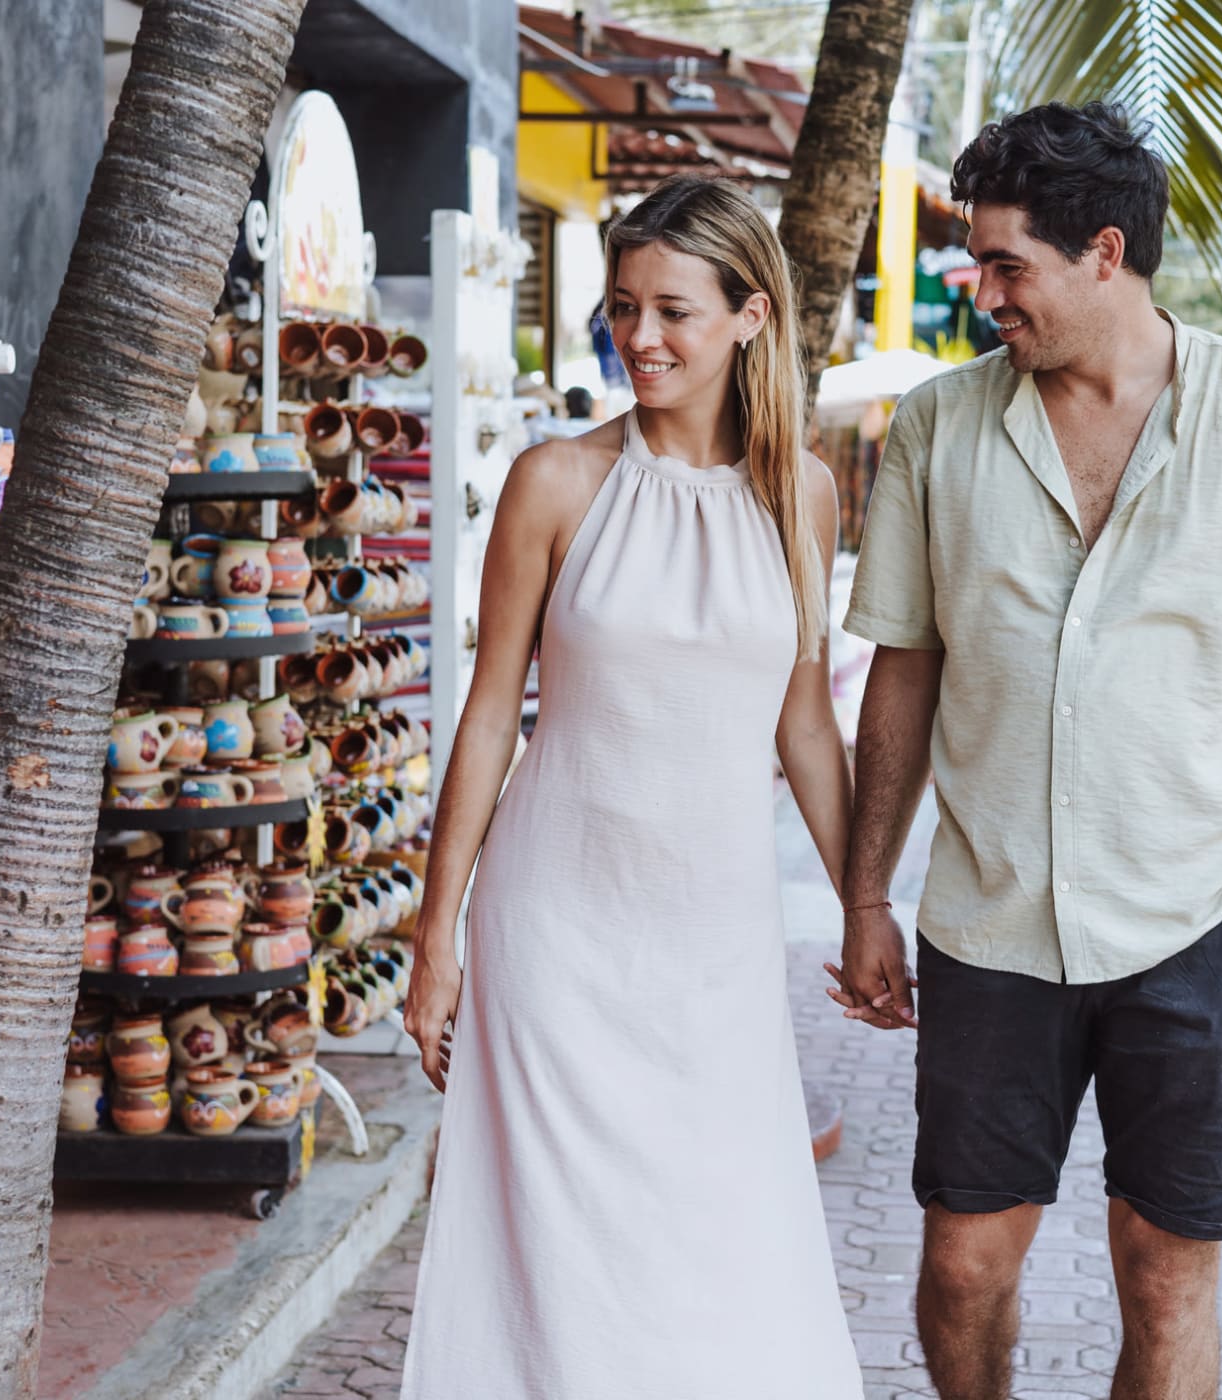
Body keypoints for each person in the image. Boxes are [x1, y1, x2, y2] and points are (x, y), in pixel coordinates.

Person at [831, 101, 1222, 1400]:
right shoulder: (937, 429)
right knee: (963, 1272)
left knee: (1167, 1280)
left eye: (1007, 269)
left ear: (1106, 253)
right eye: (974, 266)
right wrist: (867, 893)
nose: (982, 293)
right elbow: (902, 669)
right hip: (988, 926)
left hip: (1198, 919)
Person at [399, 174, 863, 1398]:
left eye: (673, 311)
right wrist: (434, 933)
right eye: (620, 308)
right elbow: (490, 713)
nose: (639, 338)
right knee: (559, 1251)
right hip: (554, 922)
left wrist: (866, 905)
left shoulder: (803, 495)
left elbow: (805, 727)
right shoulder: (556, 482)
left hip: (715, 936)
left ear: (751, 315)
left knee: (715, 1236)